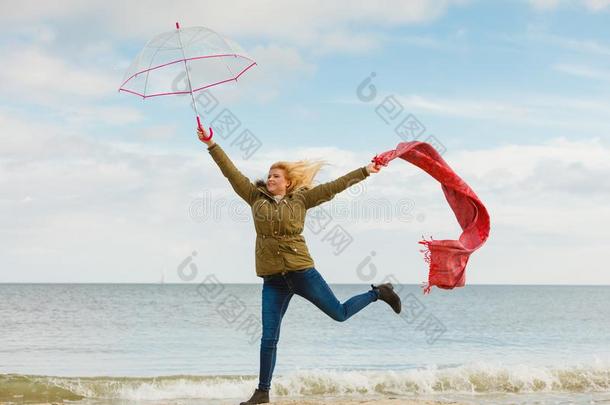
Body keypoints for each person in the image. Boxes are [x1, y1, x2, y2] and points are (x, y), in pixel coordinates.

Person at [197, 128, 402, 405]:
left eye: (276, 176)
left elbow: (335, 186)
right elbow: (230, 172)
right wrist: (211, 143)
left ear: (288, 183)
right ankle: (262, 392)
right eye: (269, 175)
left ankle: (379, 293)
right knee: (268, 337)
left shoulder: (301, 200)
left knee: (339, 314)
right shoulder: (254, 198)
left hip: (302, 272)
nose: (270, 178)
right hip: (273, 280)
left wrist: (366, 170)